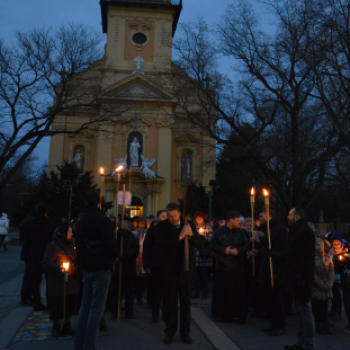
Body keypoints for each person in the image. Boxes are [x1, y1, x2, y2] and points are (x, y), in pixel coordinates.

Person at [74, 190, 118, 350]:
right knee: (96, 309)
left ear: (86, 203)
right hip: (101, 266)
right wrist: (114, 255)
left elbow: (78, 244)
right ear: (99, 202)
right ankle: (90, 345)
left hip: (87, 266)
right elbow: (109, 243)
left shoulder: (83, 220)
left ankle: (78, 344)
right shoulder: (103, 220)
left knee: (85, 307)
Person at [155, 202, 204, 344]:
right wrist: (180, 237)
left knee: (186, 304)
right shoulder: (163, 227)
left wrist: (192, 235)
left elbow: (200, 243)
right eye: (169, 216)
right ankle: (169, 332)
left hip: (187, 271)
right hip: (170, 271)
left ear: (179, 213)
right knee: (170, 304)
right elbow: (163, 245)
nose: (171, 218)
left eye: (174, 215)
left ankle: (185, 332)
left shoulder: (188, 223)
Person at [285, 207, 315, 350]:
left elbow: (306, 258)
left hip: (301, 278)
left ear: (297, 217)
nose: (287, 217)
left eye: (290, 214)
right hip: (296, 276)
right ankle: (301, 342)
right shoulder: (297, 231)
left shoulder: (304, 232)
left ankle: (308, 344)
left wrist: (301, 277)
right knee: (300, 311)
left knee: (305, 311)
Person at [254, 205, 288, 336]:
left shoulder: (280, 230)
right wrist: (259, 251)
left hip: (276, 270)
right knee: (270, 298)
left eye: (262, 215)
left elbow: (281, 252)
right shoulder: (268, 228)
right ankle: (273, 323)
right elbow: (266, 248)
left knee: (277, 299)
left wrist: (276, 270)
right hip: (267, 268)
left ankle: (280, 324)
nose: (260, 218)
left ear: (268, 215)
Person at [210, 211, 249, 323]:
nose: (239, 222)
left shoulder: (241, 232)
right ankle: (222, 314)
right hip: (223, 266)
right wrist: (224, 250)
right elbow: (213, 245)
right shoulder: (218, 231)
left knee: (238, 292)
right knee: (223, 292)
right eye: (237, 220)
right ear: (231, 220)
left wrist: (238, 251)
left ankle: (238, 314)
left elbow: (246, 245)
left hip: (237, 266)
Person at [42, 225, 80, 337]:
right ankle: (56, 326)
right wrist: (59, 268)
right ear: (63, 234)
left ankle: (67, 325)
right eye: (69, 232)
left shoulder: (72, 244)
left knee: (70, 303)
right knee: (58, 305)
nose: (72, 234)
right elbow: (45, 263)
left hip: (71, 280)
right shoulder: (53, 246)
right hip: (58, 283)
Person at [25, 203, 56, 311]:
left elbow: (27, 239)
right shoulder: (49, 224)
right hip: (47, 254)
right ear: (46, 212)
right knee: (49, 280)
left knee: (36, 280)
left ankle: (37, 303)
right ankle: (50, 301)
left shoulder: (30, 223)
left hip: (34, 254)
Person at [110, 216, 139, 320]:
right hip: (117, 268)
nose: (129, 224)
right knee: (116, 292)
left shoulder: (133, 237)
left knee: (129, 292)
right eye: (126, 222)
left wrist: (125, 256)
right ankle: (114, 311)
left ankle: (129, 312)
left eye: (129, 222)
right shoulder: (115, 236)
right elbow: (111, 248)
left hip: (129, 267)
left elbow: (135, 250)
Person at [143, 209, 168, 323]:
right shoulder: (152, 231)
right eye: (163, 216)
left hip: (167, 266)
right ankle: (155, 313)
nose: (165, 218)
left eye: (166, 216)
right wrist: (146, 265)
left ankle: (166, 313)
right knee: (155, 292)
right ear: (158, 218)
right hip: (155, 265)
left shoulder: (171, 231)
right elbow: (146, 248)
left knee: (166, 292)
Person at [311, 237, 334, 335]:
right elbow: (312, 274)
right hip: (316, 287)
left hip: (326, 286)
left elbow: (331, 272)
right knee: (317, 307)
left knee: (324, 307)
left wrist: (329, 284)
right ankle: (318, 324)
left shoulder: (328, 257)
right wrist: (321, 284)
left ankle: (324, 324)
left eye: (322, 246)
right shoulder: (312, 258)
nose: (320, 247)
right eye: (318, 245)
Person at [193, 211, 213, 300]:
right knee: (195, 276)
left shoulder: (207, 227)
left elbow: (212, 240)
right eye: (197, 218)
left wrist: (204, 237)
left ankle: (204, 293)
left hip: (203, 255)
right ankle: (196, 292)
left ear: (203, 219)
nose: (199, 220)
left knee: (204, 276)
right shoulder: (193, 227)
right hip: (195, 254)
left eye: (200, 218)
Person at [19, 210, 36, 306]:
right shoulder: (30, 225)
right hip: (31, 252)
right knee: (30, 274)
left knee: (28, 274)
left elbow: (22, 238)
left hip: (26, 251)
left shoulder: (23, 224)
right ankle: (26, 296)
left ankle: (26, 295)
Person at [133, 216, 147, 305]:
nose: (142, 224)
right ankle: (137, 296)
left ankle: (140, 296)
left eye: (143, 222)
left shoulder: (147, 232)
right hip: (136, 258)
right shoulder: (134, 233)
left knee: (143, 280)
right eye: (140, 222)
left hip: (144, 258)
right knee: (136, 279)